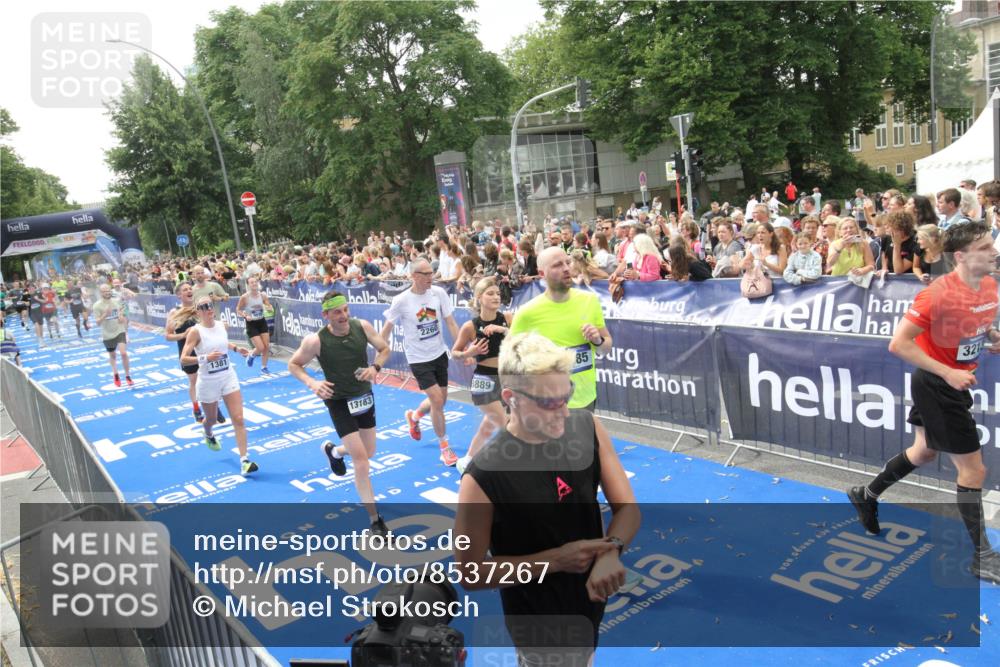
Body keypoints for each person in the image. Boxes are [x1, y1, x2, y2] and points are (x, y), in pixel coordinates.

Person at [454, 332, 640, 666]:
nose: (564, 412)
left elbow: (627, 508)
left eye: (566, 396)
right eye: (549, 403)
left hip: (591, 605)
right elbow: (471, 573)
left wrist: (611, 549)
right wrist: (556, 561)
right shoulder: (483, 477)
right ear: (511, 398)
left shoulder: (588, 426)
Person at [847, 221, 1000, 584]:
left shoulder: (991, 286)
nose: (994, 251)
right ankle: (983, 556)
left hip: (949, 382)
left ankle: (866, 494)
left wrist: (993, 336)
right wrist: (948, 373)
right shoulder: (935, 294)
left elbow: (978, 323)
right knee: (973, 471)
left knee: (924, 451)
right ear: (960, 257)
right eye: (984, 247)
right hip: (936, 383)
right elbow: (899, 344)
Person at [288, 290, 392, 536]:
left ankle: (334, 451)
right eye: (337, 312)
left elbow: (384, 349)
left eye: (345, 310)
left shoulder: (362, 326)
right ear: (326, 315)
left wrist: (375, 367)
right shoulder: (315, 341)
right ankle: (375, 520)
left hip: (364, 396)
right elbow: (294, 364)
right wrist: (312, 384)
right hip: (338, 401)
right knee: (362, 461)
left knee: (369, 451)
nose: (344, 316)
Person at [381, 258, 462, 467]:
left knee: (440, 401)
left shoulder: (439, 294)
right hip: (418, 359)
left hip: (439, 354)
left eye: (431, 273)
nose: (431, 277)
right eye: (426, 274)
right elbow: (387, 328)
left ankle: (415, 417)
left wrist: (461, 347)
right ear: (414, 276)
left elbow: (451, 322)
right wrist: (379, 354)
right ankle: (444, 448)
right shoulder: (401, 300)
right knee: (436, 400)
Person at [510, 247, 612, 411]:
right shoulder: (527, 313)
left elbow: (607, 347)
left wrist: (598, 340)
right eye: (557, 265)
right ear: (542, 274)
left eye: (568, 262)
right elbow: (511, 362)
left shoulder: (590, 300)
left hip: (586, 399)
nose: (566, 268)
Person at [180, 295, 257, 475]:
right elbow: (183, 358)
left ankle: (245, 460)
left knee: (238, 419)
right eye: (204, 306)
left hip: (228, 375)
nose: (208, 309)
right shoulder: (195, 331)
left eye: (210, 305)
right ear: (198, 312)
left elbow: (221, 343)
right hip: (207, 381)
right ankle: (207, 432)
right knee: (212, 420)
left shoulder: (222, 325)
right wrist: (205, 358)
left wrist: (236, 349)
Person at [450, 278, 512, 473]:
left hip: (506, 378)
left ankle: (467, 459)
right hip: (483, 380)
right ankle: (509, 468)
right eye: (490, 293)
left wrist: (502, 329)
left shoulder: (508, 318)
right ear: (479, 298)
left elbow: (523, 337)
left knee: (488, 426)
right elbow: (455, 352)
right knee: (507, 426)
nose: (496, 297)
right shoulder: (470, 326)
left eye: (497, 294)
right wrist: (470, 352)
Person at [166, 283, 226, 424]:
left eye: (189, 289)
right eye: (185, 289)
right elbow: (167, 335)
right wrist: (182, 335)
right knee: (194, 381)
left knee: (211, 378)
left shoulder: (199, 308)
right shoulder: (174, 312)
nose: (189, 291)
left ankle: (215, 407)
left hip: (205, 348)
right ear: (179, 295)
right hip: (187, 350)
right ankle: (196, 408)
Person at [93, 284, 132, 387]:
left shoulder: (116, 302)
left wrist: (121, 318)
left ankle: (128, 376)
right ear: (101, 293)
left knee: (123, 353)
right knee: (113, 355)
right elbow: (97, 323)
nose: (107, 293)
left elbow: (122, 317)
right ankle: (116, 374)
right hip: (107, 334)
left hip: (119, 330)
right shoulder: (97, 306)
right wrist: (105, 314)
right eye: (104, 291)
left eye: (108, 290)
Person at [236, 277, 273, 372]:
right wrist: (245, 316)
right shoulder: (245, 297)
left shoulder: (263, 295)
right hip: (251, 323)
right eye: (251, 282)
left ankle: (264, 367)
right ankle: (251, 355)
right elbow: (238, 310)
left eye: (255, 281)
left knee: (266, 346)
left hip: (261, 321)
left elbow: (269, 305)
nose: (254, 284)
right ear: (248, 285)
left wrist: (269, 307)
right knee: (260, 347)